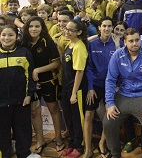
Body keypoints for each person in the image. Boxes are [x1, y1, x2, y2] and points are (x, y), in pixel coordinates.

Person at [103, 28, 142, 158]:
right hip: (124, 95)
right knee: (108, 122)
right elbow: (110, 80)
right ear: (125, 42)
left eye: (137, 40)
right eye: (131, 41)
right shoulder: (117, 55)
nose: (135, 43)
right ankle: (114, 154)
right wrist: (110, 102)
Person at [21, 17, 64, 154]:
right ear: (27, 28)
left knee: (53, 109)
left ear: (42, 28)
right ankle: (40, 140)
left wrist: (37, 70)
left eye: (37, 26)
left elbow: (57, 63)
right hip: (31, 83)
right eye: (31, 26)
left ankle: (58, 139)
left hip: (48, 81)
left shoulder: (47, 42)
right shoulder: (24, 43)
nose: (33, 29)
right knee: (34, 112)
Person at [83, 17, 122, 158]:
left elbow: (121, 66)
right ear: (99, 27)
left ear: (112, 28)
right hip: (95, 86)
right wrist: (90, 87)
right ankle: (88, 149)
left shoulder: (118, 44)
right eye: (104, 26)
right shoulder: (91, 44)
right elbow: (88, 68)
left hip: (110, 86)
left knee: (109, 116)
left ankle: (102, 143)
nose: (106, 28)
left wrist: (117, 85)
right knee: (88, 115)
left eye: (109, 26)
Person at [0, 25, 40, 158]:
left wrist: (29, 95)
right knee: (2, 129)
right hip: (1, 102)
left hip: (21, 100)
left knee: (23, 128)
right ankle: (4, 153)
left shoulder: (24, 52)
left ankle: (24, 153)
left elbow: (30, 76)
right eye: (4, 35)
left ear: (16, 37)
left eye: (10, 35)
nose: (7, 38)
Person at [60, 19, 88, 158]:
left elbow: (79, 72)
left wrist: (74, 93)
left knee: (78, 119)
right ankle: (71, 142)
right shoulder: (69, 44)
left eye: (71, 30)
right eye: (66, 28)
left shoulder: (79, 47)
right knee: (69, 118)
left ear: (79, 32)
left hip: (76, 90)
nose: (67, 31)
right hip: (66, 88)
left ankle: (79, 145)